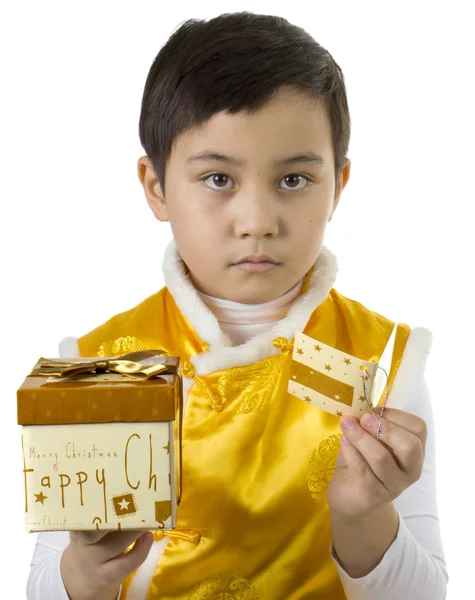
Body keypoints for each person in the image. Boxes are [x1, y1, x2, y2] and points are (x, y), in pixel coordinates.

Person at [26, 11, 448, 600]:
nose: (258, 223)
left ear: (340, 186)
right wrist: (87, 567)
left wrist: (362, 517)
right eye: (219, 179)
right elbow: (42, 587)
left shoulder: (382, 363)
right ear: (156, 187)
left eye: (295, 180)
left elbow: (426, 593)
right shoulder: (101, 366)